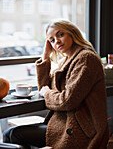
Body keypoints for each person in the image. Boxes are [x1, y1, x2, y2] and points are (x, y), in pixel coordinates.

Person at [3, 19, 109, 149]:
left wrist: (47, 93)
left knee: (13, 134)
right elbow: (44, 87)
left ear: (72, 33)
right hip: (64, 123)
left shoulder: (86, 58)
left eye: (60, 35)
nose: (56, 41)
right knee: (11, 134)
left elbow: (68, 100)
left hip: (81, 129)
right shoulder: (68, 60)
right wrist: (46, 56)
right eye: (51, 40)